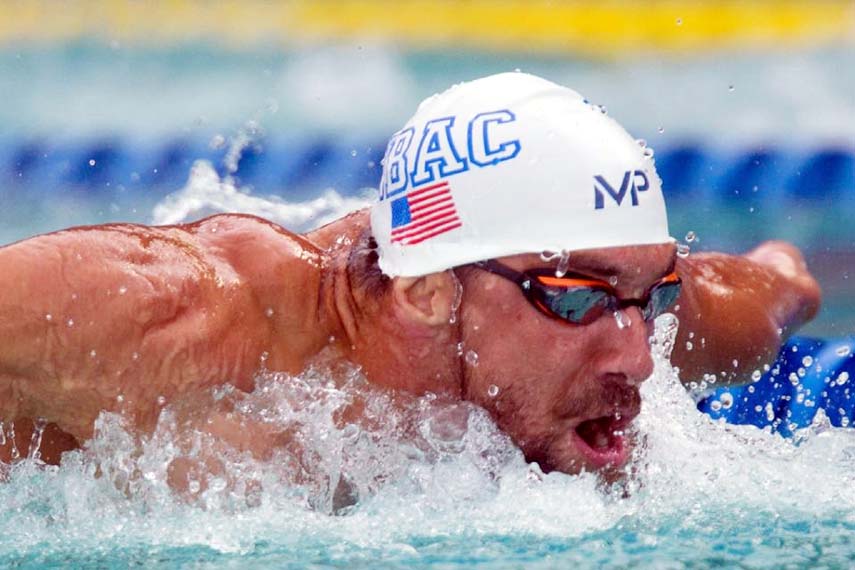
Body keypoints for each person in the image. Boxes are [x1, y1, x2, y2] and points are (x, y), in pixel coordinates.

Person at [0, 73, 820, 481]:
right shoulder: (181, 320)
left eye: (654, 293)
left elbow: (786, 288)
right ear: (426, 289)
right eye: (574, 298)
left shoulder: (630, 331)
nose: (639, 358)